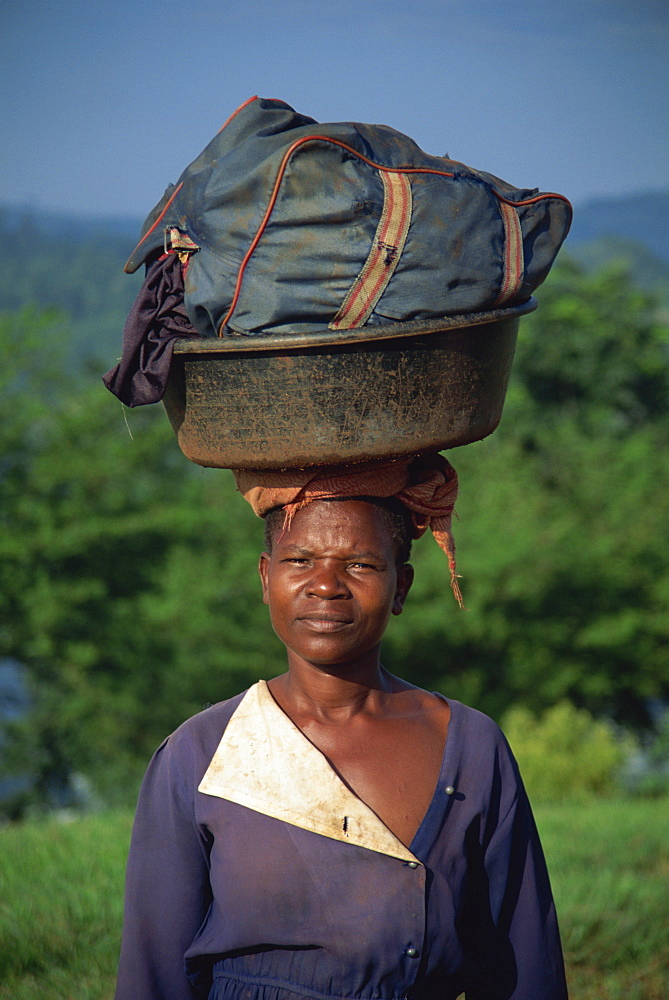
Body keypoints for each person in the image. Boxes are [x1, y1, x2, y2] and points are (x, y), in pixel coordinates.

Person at [115, 454, 568, 1000]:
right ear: (266, 578)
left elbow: (525, 967)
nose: (325, 585)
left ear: (401, 586)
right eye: (300, 560)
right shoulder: (202, 754)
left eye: (360, 565)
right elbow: (153, 976)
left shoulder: (470, 746)